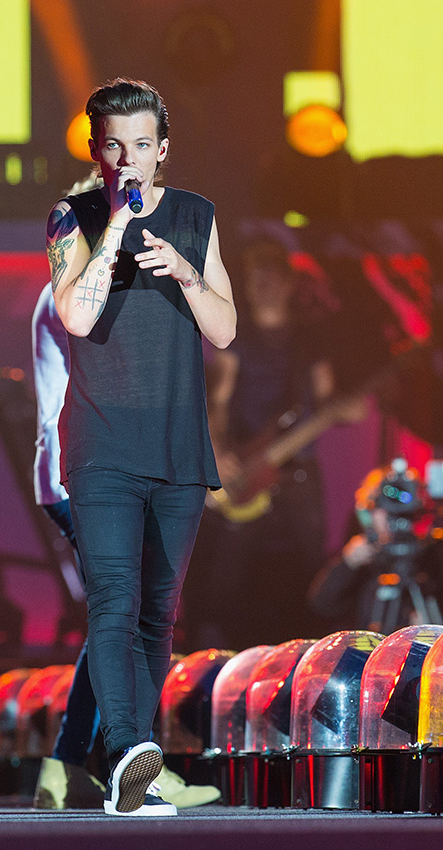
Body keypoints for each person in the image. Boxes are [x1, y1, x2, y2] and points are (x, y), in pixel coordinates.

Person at [46, 78, 236, 816]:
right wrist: (114, 238)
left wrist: (185, 271)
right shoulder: (73, 218)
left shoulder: (195, 215)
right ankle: (127, 749)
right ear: (97, 152)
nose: (127, 159)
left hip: (176, 442)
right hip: (102, 443)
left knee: (160, 611)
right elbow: (75, 316)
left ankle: (136, 762)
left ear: (163, 150)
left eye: (141, 145)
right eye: (113, 147)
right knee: (114, 602)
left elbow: (224, 329)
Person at [31, 276, 221, 810]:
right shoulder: (76, 288)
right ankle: (122, 755)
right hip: (92, 467)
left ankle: (82, 762)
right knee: (120, 608)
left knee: (124, 611)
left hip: (104, 462)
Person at [184, 240, 361, 651]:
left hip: (297, 468)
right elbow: (218, 400)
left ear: (288, 283)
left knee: (308, 564)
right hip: (246, 465)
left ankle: (314, 649)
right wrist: (218, 451)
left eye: (268, 278)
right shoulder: (237, 336)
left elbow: (327, 400)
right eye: (254, 279)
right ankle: (214, 649)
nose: (260, 287)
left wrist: (348, 408)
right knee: (229, 567)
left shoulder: (308, 340)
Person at [308, 458, 443, 633]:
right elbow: (322, 605)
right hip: (365, 648)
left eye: (400, 501)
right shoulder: (362, 559)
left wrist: (430, 630)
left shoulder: (429, 555)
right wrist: (347, 564)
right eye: (383, 503)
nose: (391, 513)